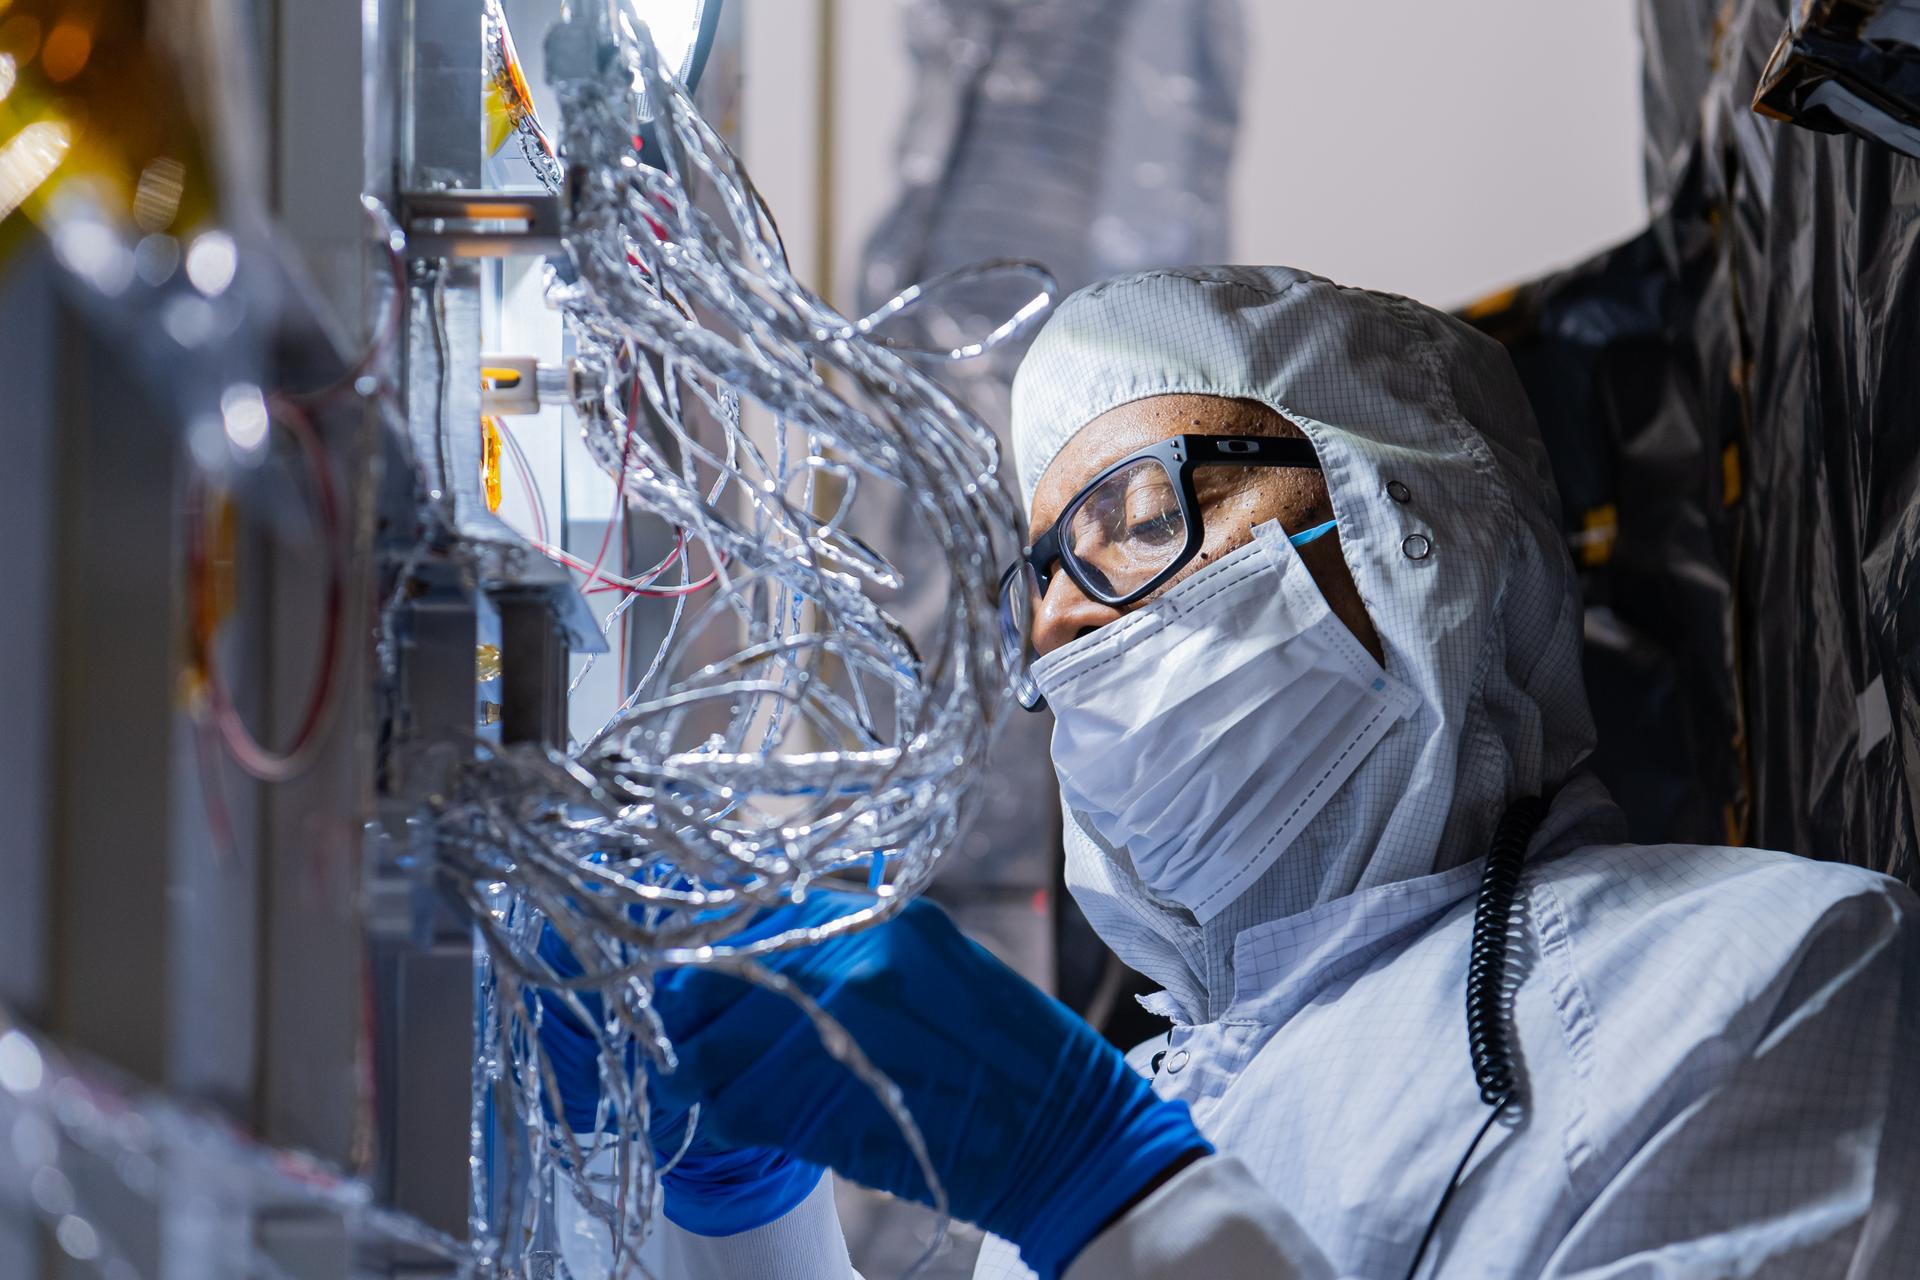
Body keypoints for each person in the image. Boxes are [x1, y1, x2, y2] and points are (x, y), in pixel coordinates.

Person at [544, 266, 1920, 1279]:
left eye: (1136, 521)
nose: (1058, 624)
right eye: (1040, 578)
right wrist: (746, 1212)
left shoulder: (1765, 983)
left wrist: (1115, 1197)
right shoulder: (1162, 1114)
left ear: (1415, 529)